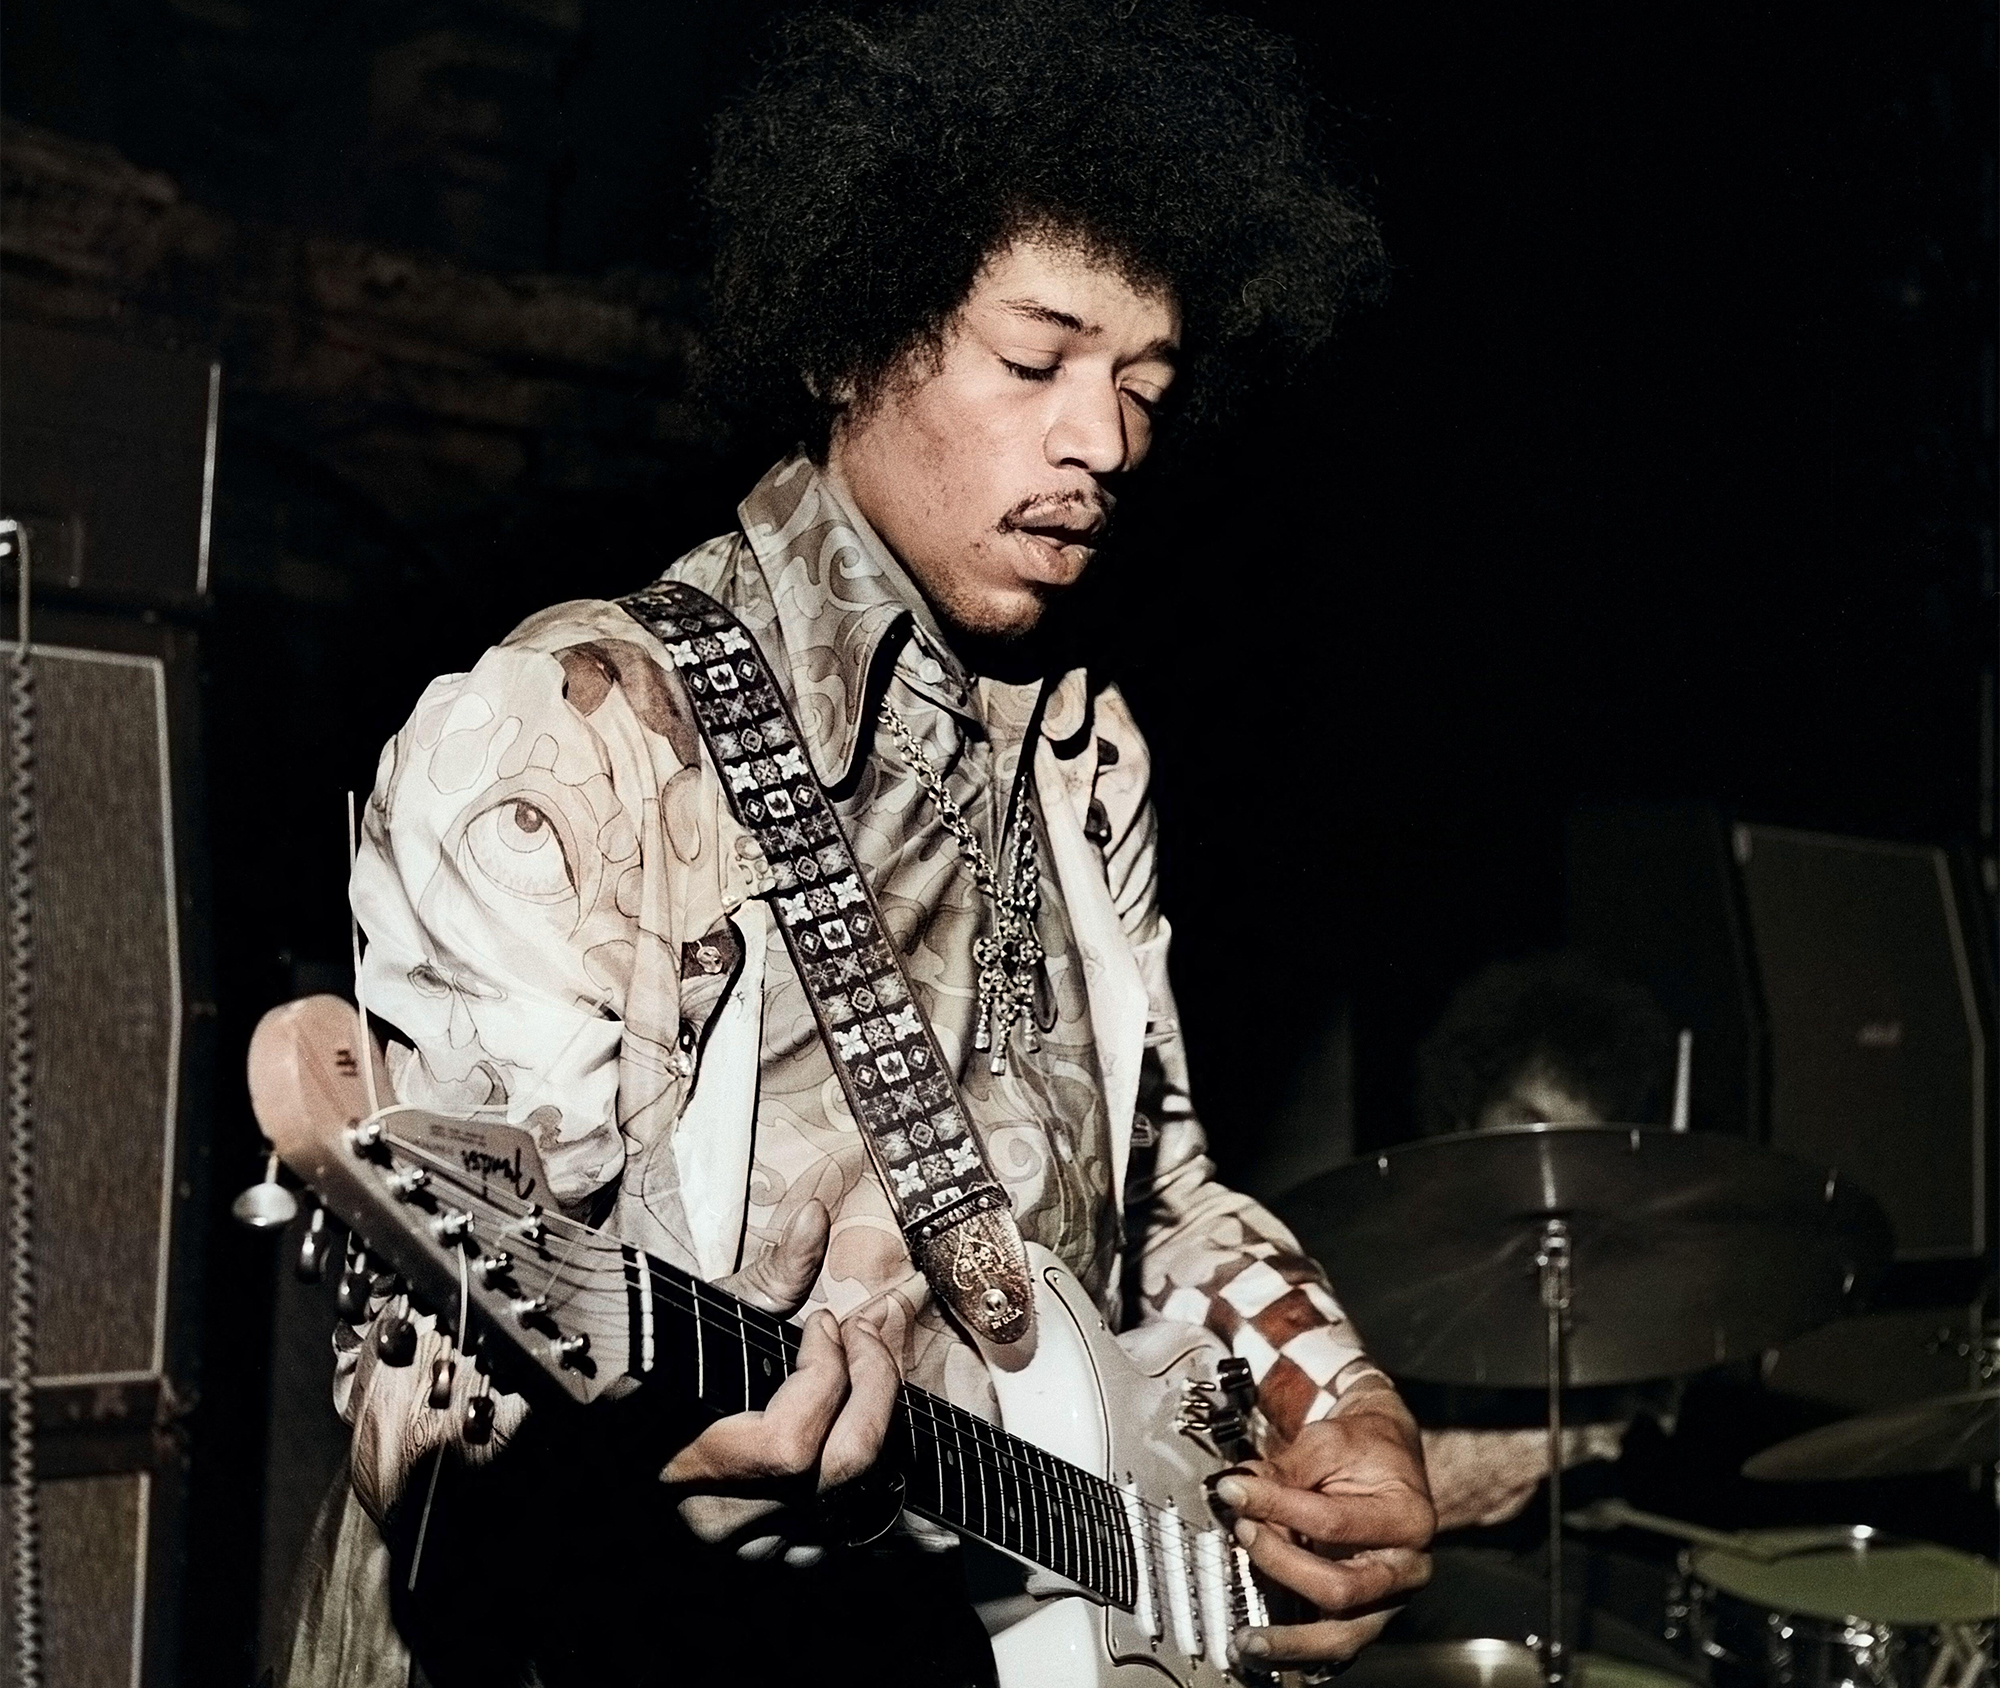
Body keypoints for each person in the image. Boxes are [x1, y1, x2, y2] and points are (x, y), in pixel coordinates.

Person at [277, 4, 1433, 1685]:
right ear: (850, 337)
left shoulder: (1081, 754)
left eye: (1143, 386)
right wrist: (626, 1473)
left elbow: (1162, 1188)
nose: (1102, 442)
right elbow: (426, 1369)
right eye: (1035, 361)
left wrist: (1340, 1401)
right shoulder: (574, 733)